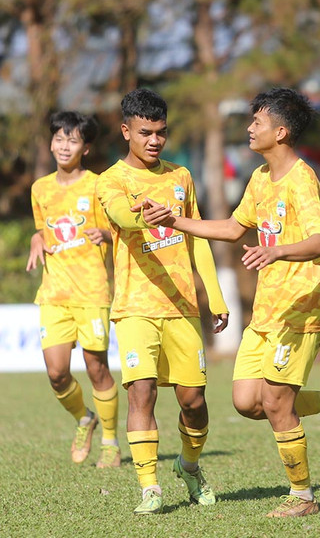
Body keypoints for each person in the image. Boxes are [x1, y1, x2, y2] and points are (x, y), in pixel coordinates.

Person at [167, 87, 320, 518]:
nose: (249, 128)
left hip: (300, 311)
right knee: (246, 402)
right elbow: (236, 228)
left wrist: (277, 250)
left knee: (274, 403)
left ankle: (303, 497)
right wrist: (176, 221)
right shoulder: (258, 179)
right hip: (266, 311)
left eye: (257, 122)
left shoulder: (302, 179)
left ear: (282, 131)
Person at [95, 88, 229, 514]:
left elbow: (199, 237)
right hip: (134, 307)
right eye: (145, 132)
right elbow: (119, 216)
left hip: (183, 307)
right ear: (126, 131)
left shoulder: (182, 176)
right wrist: (143, 216)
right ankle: (149, 486)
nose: (154, 140)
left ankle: (189, 466)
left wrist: (216, 296)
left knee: (194, 401)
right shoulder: (111, 180)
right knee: (142, 393)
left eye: (161, 133)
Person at [25, 111, 120, 469]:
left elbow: (121, 230)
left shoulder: (98, 185)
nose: (64, 146)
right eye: (59, 139)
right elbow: (41, 229)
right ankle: (85, 419)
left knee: (97, 369)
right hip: (53, 293)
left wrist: (106, 235)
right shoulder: (40, 188)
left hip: (92, 291)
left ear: (86, 147)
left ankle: (110, 442)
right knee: (56, 373)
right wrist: (36, 238)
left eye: (73, 140)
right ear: (51, 143)